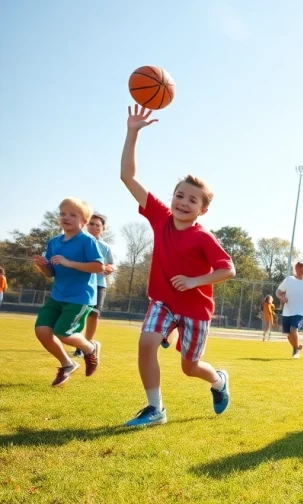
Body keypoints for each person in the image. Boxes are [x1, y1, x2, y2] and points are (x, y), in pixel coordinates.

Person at [120, 105, 236, 427]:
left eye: (192, 200)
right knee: (146, 342)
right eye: (179, 195)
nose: (183, 202)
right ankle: (155, 409)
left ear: (203, 209)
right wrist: (133, 132)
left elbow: (228, 270)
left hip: (196, 310)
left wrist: (195, 280)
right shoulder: (160, 217)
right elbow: (127, 177)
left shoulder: (204, 238)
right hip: (164, 300)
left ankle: (219, 381)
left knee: (190, 367)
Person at [32, 198, 105, 386]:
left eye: (73, 214)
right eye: (63, 213)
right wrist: (43, 266)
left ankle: (90, 347)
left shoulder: (87, 241)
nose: (66, 217)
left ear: (84, 221)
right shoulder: (54, 242)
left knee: (63, 332)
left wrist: (69, 263)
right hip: (57, 295)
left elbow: (98, 266)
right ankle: (67, 364)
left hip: (79, 298)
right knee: (42, 331)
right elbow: (51, 272)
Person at [74, 214, 116, 357]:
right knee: (79, 313)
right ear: (86, 225)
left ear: (103, 229)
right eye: (91, 224)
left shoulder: (105, 247)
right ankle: (78, 343)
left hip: (99, 284)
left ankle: (85, 345)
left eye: (98, 225)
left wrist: (110, 268)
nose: (94, 227)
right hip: (82, 283)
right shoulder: (78, 242)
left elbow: (112, 264)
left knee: (94, 314)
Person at [277, 262, 303, 359]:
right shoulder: (289, 280)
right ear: (295, 269)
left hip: (300, 311)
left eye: (302, 270)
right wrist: (282, 297)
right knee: (288, 335)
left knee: (293, 329)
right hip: (287, 311)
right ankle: (297, 347)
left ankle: (296, 352)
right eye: (298, 269)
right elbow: (278, 292)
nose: (300, 271)